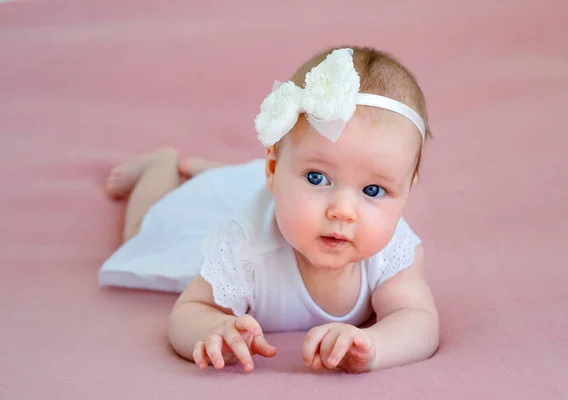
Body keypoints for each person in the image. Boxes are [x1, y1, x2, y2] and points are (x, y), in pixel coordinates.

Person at [100, 46, 439, 373]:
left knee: (244, 182)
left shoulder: (394, 252)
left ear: (407, 191)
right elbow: (189, 310)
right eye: (318, 178)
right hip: (246, 210)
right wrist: (215, 328)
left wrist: (374, 346)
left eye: (373, 190)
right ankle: (160, 165)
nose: (343, 211)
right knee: (147, 234)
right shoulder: (242, 249)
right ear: (274, 171)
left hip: (273, 190)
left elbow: (417, 319)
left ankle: (216, 171)